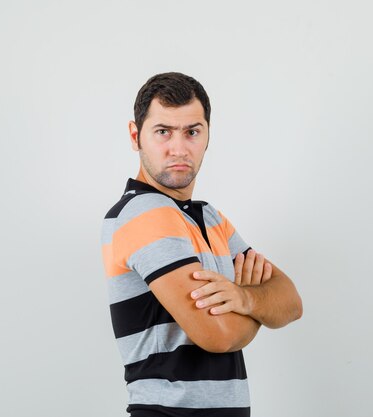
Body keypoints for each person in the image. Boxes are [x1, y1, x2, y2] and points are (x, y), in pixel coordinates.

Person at [101, 72, 303, 417]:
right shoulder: (143, 212)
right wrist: (255, 303)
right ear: (136, 136)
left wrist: (244, 297)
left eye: (192, 132)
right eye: (163, 131)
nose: (179, 149)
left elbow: (290, 302)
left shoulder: (209, 217)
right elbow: (218, 336)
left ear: (208, 136)